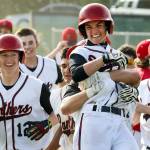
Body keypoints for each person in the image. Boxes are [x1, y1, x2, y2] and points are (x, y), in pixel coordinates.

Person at [61, 3, 140, 150]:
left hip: (119, 117)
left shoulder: (116, 54)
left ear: (108, 27)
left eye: (99, 25)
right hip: (94, 116)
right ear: (83, 30)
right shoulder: (80, 52)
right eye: (89, 27)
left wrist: (134, 91)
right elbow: (77, 74)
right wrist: (103, 60)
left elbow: (132, 78)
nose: (94, 31)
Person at [0, 34, 58, 150]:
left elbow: (58, 114)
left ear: (20, 57)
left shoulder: (37, 86)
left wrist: (47, 124)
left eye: (13, 55)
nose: (9, 60)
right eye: (4, 55)